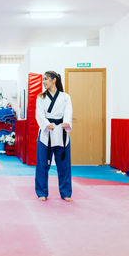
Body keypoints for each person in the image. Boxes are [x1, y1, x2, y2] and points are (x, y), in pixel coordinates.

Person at [35, 71, 73, 202]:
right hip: (46, 133)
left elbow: (68, 111)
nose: (44, 82)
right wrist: (46, 124)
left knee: (64, 164)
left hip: (61, 132)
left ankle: (66, 192)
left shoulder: (65, 97)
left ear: (54, 80)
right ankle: (41, 192)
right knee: (42, 165)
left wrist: (67, 121)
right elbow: (39, 114)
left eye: (46, 79)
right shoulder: (41, 97)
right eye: (43, 80)